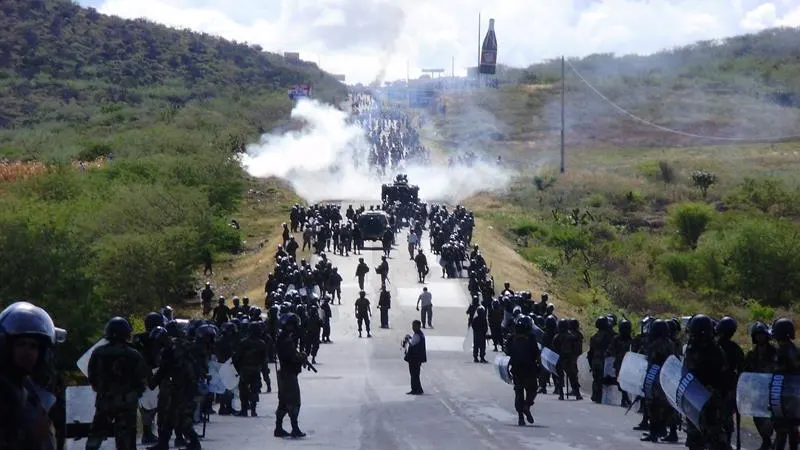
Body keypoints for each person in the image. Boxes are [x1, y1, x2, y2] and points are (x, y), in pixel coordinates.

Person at [0, 301, 59, 450]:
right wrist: (31, 438)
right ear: (6, 346)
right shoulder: (4, 390)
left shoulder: (26, 386)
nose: (28, 352)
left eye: (33, 346)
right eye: (21, 344)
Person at [85, 317, 148, 450]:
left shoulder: (98, 352)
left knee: (95, 436)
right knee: (126, 440)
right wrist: (134, 394)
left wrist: (101, 390)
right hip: (127, 403)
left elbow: (91, 376)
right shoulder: (134, 354)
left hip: (104, 401)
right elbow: (142, 379)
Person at [402, 320, 427, 395]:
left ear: (418, 326)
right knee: (415, 374)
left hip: (414, 358)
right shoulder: (419, 334)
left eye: (414, 326)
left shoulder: (417, 335)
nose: (413, 327)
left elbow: (412, 343)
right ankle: (418, 389)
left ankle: (415, 389)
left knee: (414, 374)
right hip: (417, 358)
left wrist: (407, 339)